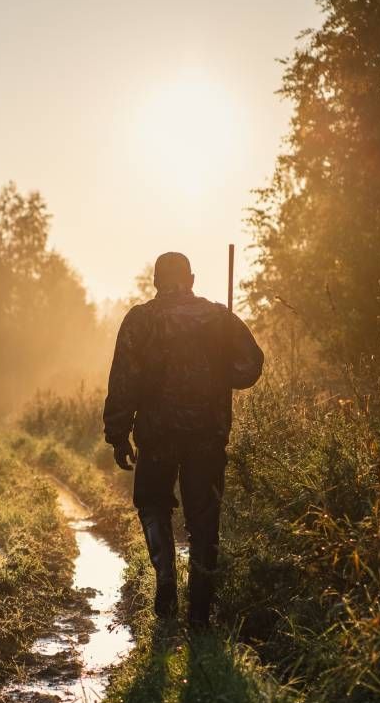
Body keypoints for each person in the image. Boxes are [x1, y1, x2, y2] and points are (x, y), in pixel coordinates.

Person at [103, 251, 264, 629]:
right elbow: (251, 364)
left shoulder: (140, 320)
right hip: (207, 434)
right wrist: (222, 371)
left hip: (157, 435)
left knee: (153, 504)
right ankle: (200, 613)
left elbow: (124, 379)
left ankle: (166, 579)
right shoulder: (219, 318)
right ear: (191, 278)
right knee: (205, 519)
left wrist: (118, 432)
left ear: (156, 281)